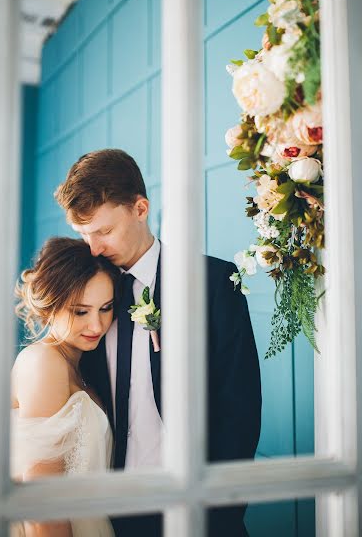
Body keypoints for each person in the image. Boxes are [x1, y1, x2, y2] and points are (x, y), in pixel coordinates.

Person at [55, 149, 262, 537]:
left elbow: (241, 410)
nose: (95, 249)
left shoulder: (212, 283)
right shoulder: (88, 295)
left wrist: (219, 510)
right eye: (85, 236)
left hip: (195, 506)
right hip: (111, 512)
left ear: (140, 208)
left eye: (104, 231)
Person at [10, 237, 121, 537]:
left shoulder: (81, 367)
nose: (97, 326)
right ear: (50, 306)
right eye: (80, 311)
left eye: (106, 308)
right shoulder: (43, 362)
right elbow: (41, 505)